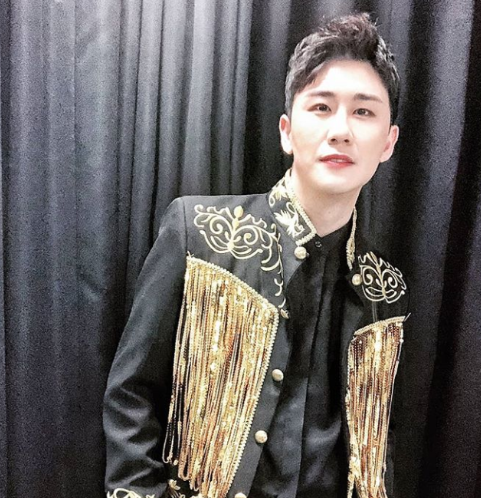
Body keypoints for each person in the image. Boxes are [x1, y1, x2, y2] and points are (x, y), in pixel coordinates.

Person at [104, 12, 409, 498]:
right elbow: (131, 398)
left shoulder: (385, 288)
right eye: (321, 107)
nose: (341, 130)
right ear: (287, 131)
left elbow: (377, 440)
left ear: (388, 142)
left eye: (364, 112)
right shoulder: (199, 235)